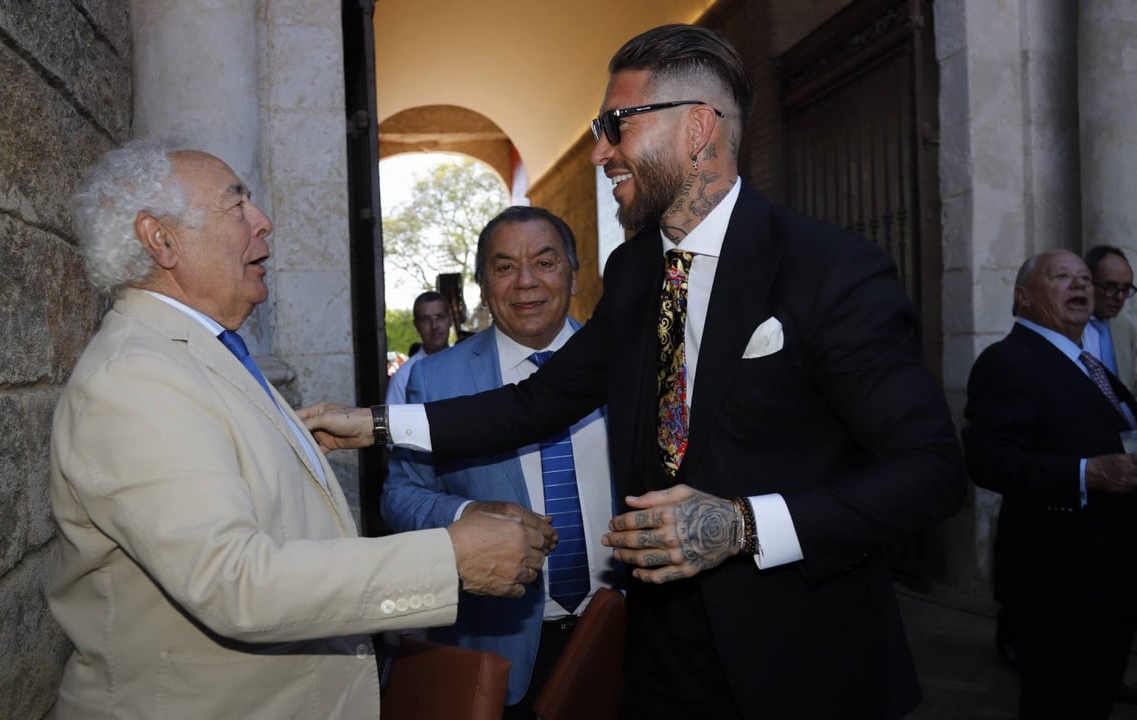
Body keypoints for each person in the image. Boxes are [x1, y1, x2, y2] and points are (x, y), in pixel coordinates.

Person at [303, 23, 965, 719]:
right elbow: (536, 402)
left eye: (617, 126)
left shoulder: (828, 269)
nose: (600, 152)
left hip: (802, 658)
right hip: (661, 658)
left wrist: (742, 525)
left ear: (697, 129)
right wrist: (376, 423)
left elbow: (930, 471)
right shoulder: (635, 271)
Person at [46, 141, 551, 720]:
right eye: (237, 205)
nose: (263, 221)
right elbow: (235, 582)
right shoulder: (135, 377)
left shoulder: (202, 352)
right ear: (161, 240)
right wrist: (450, 558)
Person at [381, 206, 613, 717]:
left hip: (620, 640)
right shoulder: (435, 381)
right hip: (497, 647)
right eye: (504, 267)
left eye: (545, 262)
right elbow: (400, 497)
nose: (526, 282)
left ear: (574, 274)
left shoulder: (623, 364)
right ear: (484, 288)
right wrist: (467, 514)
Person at [964, 249, 1137, 719]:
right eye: (1062, 277)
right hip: (1059, 580)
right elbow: (987, 460)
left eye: (1084, 278)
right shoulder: (1007, 361)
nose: (1080, 285)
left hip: (1109, 572)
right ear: (1023, 296)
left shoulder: (1085, 361)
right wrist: (1087, 473)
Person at [1083, 244, 1137, 387]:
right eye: (1110, 287)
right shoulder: (1066, 325)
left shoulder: (1125, 327)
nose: (1119, 297)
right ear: (1088, 282)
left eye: (1125, 289)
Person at [385, 291, 451, 404]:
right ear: (416, 325)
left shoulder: (467, 366)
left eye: (440, 317)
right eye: (425, 319)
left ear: (450, 320)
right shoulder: (404, 377)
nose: (434, 326)